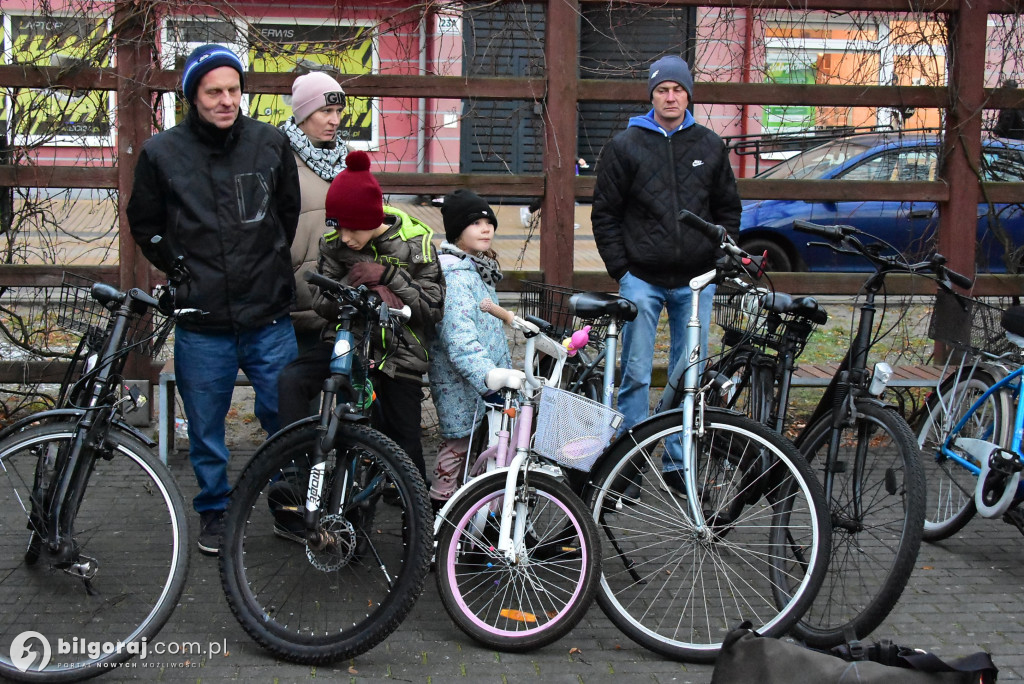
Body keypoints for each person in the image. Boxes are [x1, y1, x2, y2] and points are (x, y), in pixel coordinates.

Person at [127, 44, 301, 555]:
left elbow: (286, 214)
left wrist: (266, 261)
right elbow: (145, 224)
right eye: (214, 92)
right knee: (206, 427)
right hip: (202, 321)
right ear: (193, 96)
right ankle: (214, 512)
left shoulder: (270, 144)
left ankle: (287, 504)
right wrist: (179, 268)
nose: (227, 100)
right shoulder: (162, 154)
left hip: (268, 315)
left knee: (284, 418)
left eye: (234, 90)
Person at [590, 54, 741, 494]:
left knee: (690, 371)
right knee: (635, 371)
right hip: (642, 278)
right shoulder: (625, 145)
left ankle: (679, 463)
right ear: (651, 96)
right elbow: (606, 213)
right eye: (662, 90)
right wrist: (621, 267)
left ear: (688, 94)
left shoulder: (711, 145)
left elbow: (728, 208)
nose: (670, 96)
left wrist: (716, 262)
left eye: (677, 89)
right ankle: (628, 463)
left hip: (697, 280)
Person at [276, 150, 444, 491]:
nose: (345, 237)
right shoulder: (334, 244)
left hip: (400, 352)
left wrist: (388, 275)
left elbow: (432, 308)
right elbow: (321, 303)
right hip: (345, 343)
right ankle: (300, 475)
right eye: (337, 227)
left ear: (372, 217)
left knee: (404, 441)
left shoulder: (416, 242)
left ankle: (413, 511)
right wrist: (358, 292)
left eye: (352, 228)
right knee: (291, 380)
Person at [427, 190, 509, 510]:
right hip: (462, 385)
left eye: (489, 222)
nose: (486, 228)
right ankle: (439, 514)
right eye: (476, 222)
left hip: (479, 382)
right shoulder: (456, 275)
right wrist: (489, 380)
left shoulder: (475, 269)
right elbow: (459, 340)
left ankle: (471, 514)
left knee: (474, 448)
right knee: (457, 448)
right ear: (457, 230)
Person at [281, 70, 350, 353]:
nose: (334, 120)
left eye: (338, 111)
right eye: (325, 111)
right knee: (296, 393)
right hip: (294, 305)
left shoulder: (348, 160)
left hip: (343, 302)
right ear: (303, 113)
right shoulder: (277, 157)